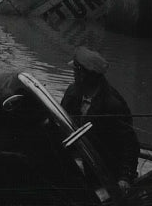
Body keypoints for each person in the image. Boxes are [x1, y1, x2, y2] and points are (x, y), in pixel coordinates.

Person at [60, 47, 139, 191]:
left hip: (102, 168)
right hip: (76, 161)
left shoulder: (113, 105)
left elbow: (130, 145)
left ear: (83, 75)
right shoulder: (72, 93)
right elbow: (60, 124)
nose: (73, 75)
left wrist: (125, 178)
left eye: (75, 72)